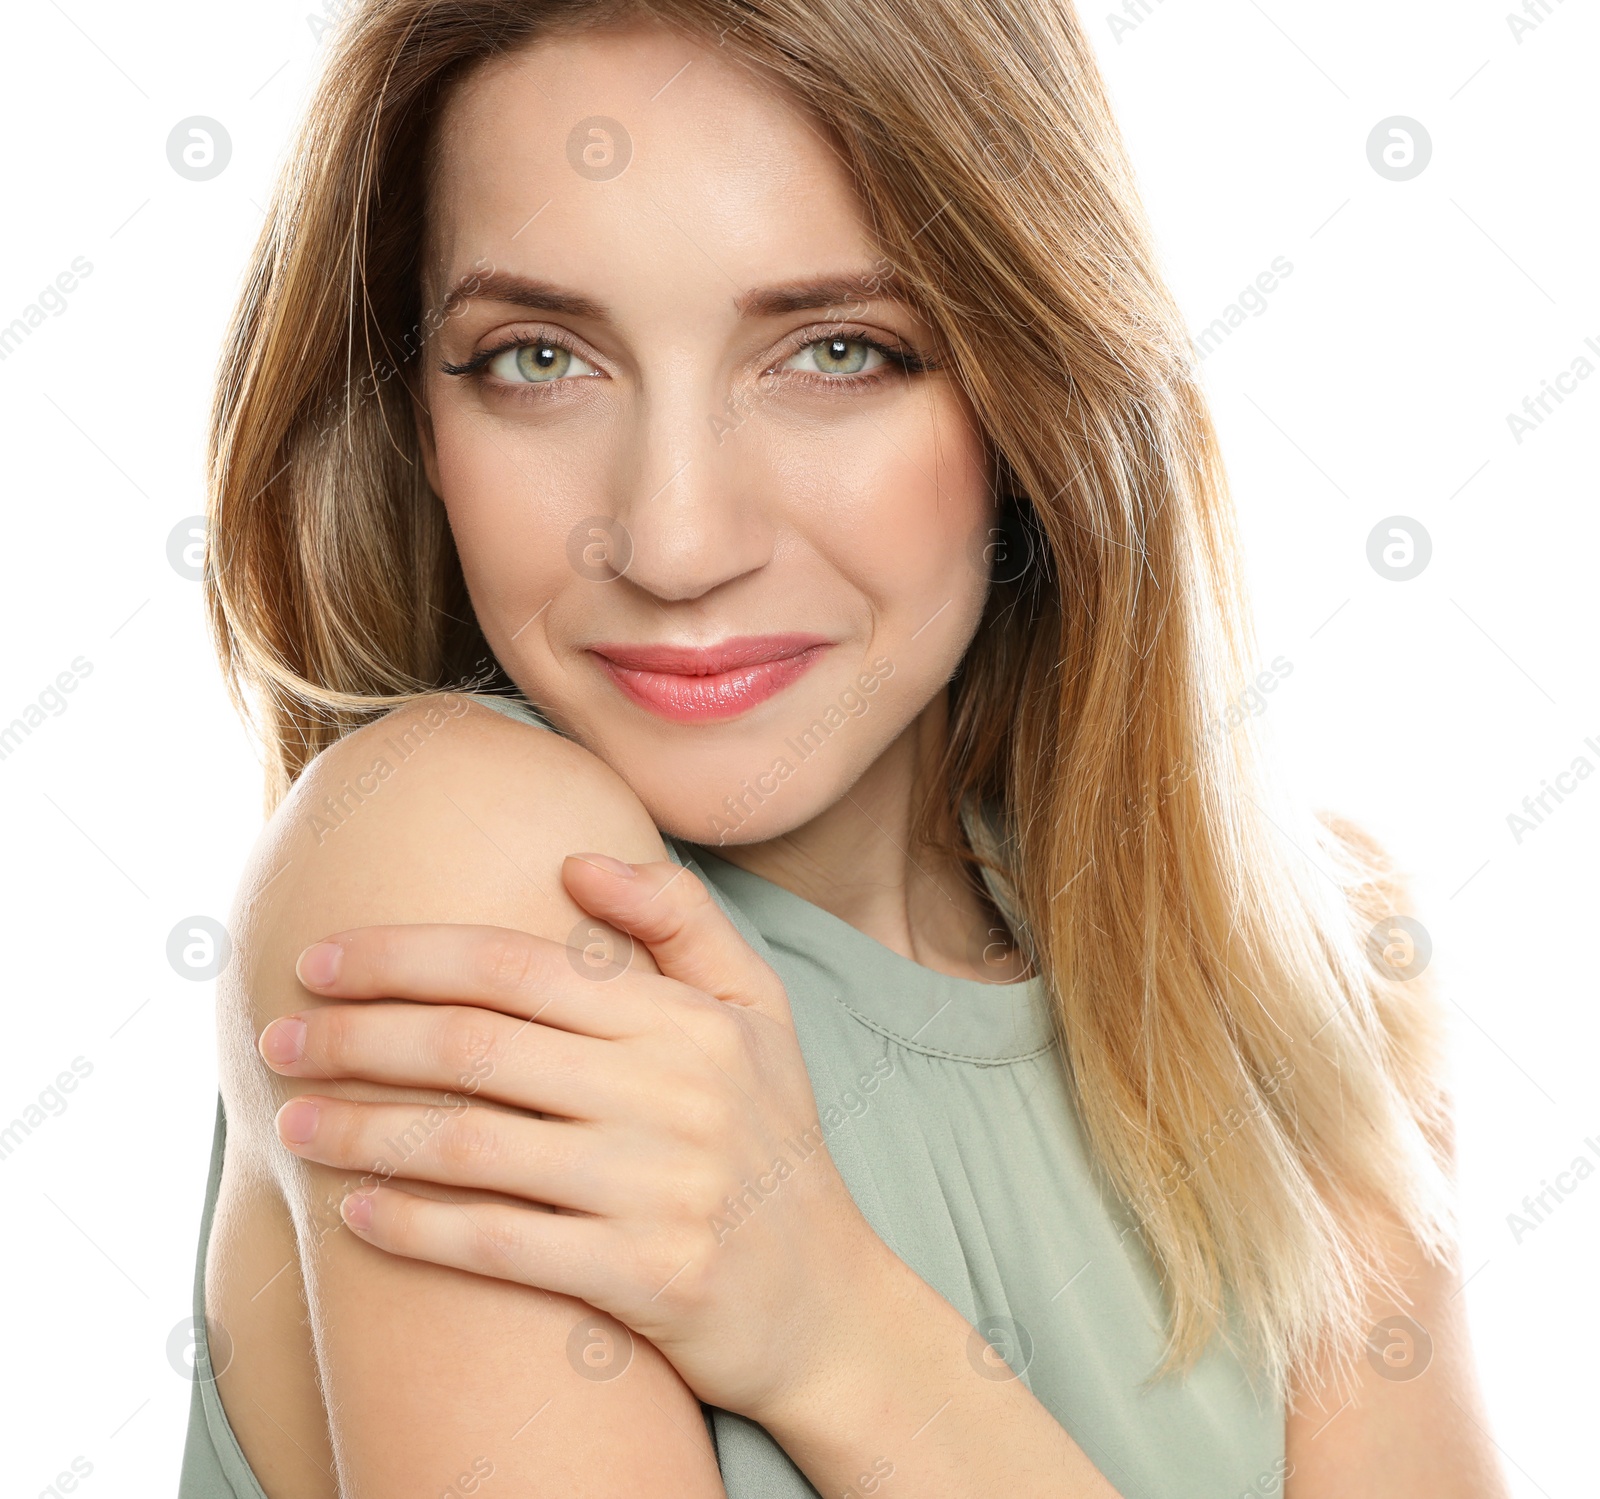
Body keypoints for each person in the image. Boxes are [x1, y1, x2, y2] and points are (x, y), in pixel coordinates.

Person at [179, 0, 1510, 1494]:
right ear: (412, 416)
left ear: (1035, 393)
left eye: (836, 352)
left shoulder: (1314, 955)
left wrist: (839, 1332)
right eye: (537, 357)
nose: (675, 539)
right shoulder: (449, 857)